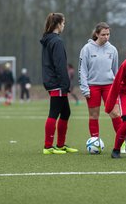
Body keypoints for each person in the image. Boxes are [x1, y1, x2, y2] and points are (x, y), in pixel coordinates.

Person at [40, 12, 78, 155]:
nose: (64, 25)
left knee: (66, 112)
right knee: (54, 113)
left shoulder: (48, 40)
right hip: (57, 82)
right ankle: (48, 146)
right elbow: (60, 65)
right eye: (63, 23)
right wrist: (65, 83)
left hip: (52, 80)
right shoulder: (56, 41)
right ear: (58, 24)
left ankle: (61, 145)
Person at [78, 22, 121, 138]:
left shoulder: (113, 50)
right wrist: (85, 88)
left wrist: (118, 88)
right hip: (93, 87)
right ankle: (95, 142)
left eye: (108, 34)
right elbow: (82, 70)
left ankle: (122, 142)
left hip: (109, 86)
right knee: (94, 115)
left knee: (115, 113)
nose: (106, 37)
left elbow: (116, 71)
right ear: (97, 34)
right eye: (103, 34)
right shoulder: (86, 49)